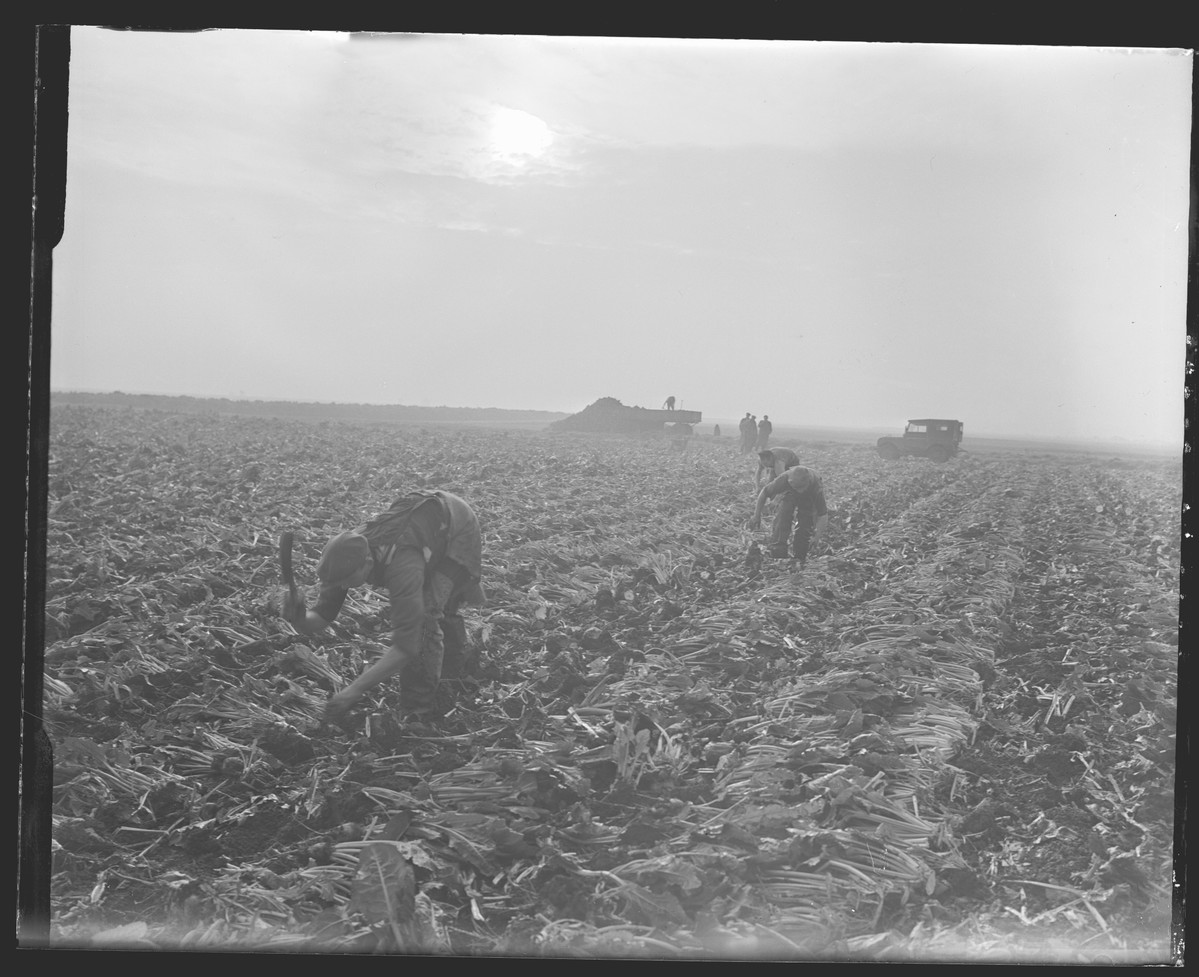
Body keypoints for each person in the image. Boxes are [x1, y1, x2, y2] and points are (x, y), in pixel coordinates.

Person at [281, 491, 485, 724]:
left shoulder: (401, 565)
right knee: (430, 604)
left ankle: (418, 709)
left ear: (368, 563)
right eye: (337, 584)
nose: (342, 587)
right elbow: (320, 617)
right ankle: (454, 665)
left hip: (457, 527)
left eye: (346, 581)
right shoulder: (342, 561)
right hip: (426, 528)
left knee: (428, 617)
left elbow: (407, 646)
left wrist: (353, 691)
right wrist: (298, 618)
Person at [748, 465, 829, 565]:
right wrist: (757, 515)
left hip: (808, 498)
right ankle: (777, 550)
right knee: (783, 515)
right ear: (790, 482)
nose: (800, 491)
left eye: (802, 488)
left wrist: (817, 536)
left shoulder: (816, 487)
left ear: (808, 482)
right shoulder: (784, 479)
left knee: (805, 523)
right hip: (789, 494)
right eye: (798, 488)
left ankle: (800, 556)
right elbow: (764, 492)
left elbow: (823, 514)